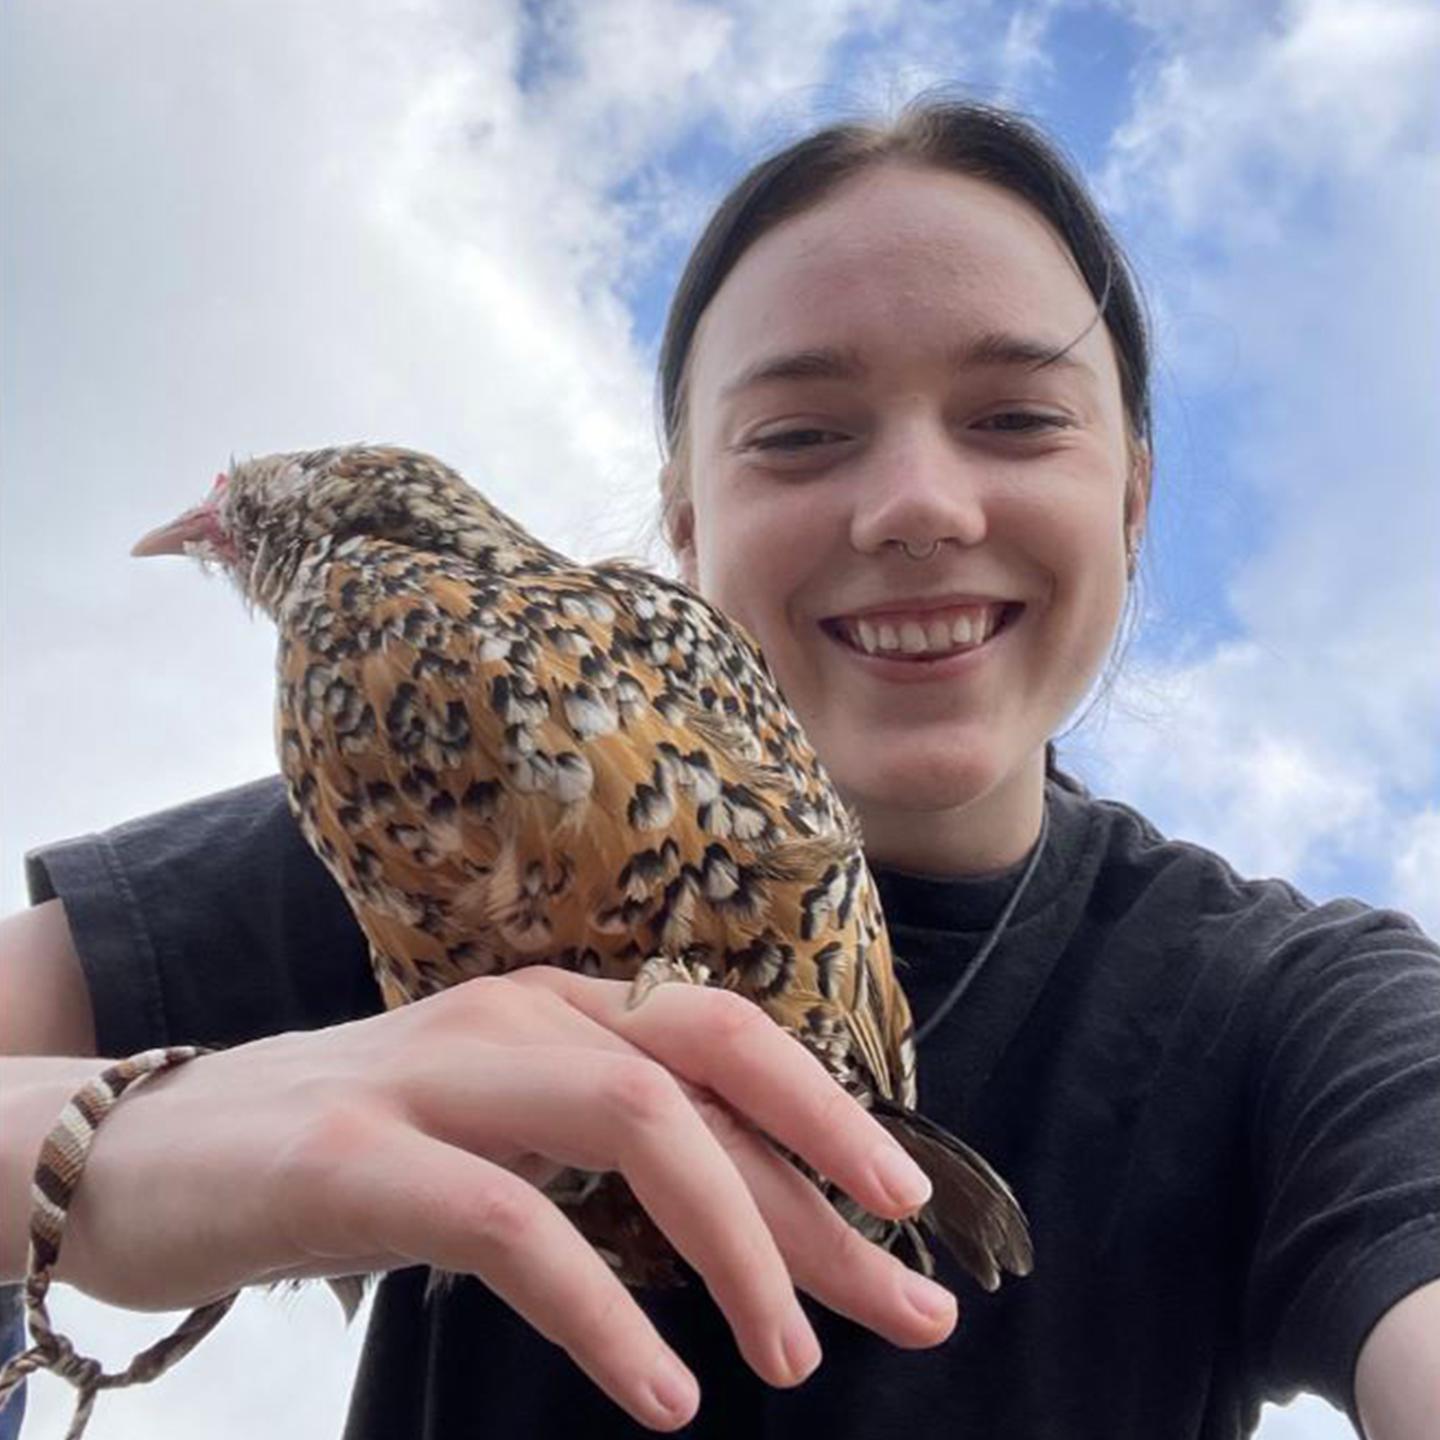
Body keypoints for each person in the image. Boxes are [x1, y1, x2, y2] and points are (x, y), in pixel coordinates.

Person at [2, 96, 1438, 1440]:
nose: (917, 507)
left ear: (1131, 493)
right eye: (801, 435)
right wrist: (89, 1157)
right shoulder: (429, 789)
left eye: (1017, 416)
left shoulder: (1292, 1012)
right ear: (685, 522)